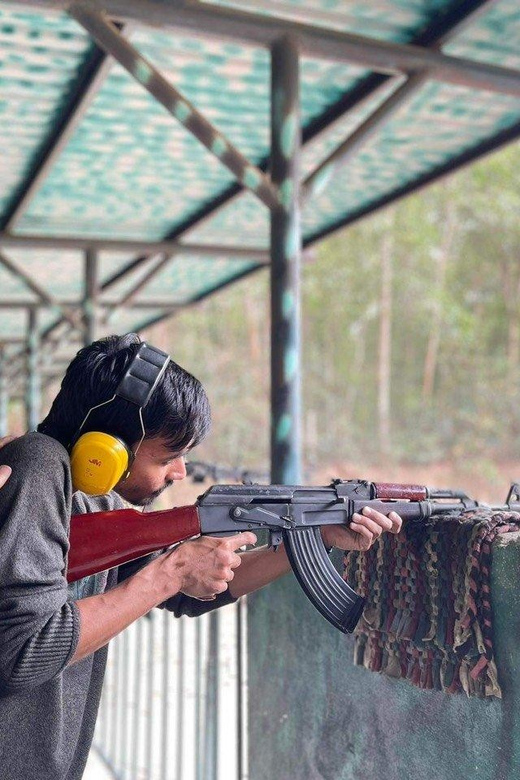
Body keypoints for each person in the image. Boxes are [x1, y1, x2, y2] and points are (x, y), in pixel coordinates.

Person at [0, 334, 401, 780]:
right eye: (170, 456)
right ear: (106, 449)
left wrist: (312, 537)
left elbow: (186, 594)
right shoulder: (38, 465)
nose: (180, 472)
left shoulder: (89, 500)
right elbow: (23, 652)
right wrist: (171, 572)